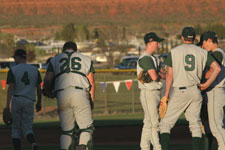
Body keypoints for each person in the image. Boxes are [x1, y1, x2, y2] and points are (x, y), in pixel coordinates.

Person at [160, 27, 221, 150]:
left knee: (165, 124)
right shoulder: (202, 52)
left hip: (180, 90)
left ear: (182, 38)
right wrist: (207, 84)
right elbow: (217, 68)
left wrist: (166, 95)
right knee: (195, 124)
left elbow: (170, 75)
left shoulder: (175, 51)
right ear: (194, 39)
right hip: (196, 91)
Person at [43, 41, 95, 150]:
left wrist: (48, 92)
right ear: (75, 50)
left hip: (62, 93)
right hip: (80, 92)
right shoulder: (85, 59)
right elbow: (92, 82)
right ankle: (83, 146)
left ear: (63, 49)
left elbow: (47, 79)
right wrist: (91, 101)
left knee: (67, 131)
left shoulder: (55, 59)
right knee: (86, 129)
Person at [4, 49, 42, 150]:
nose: (14, 60)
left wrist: (7, 105)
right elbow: (39, 88)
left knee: (15, 128)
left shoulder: (13, 70)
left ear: (19, 57)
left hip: (17, 99)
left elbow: (11, 87)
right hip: (29, 100)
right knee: (27, 128)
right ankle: (33, 143)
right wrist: (39, 102)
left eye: (15, 58)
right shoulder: (35, 70)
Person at [137, 32, 165, 150]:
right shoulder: (145, 58)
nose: (158, 44)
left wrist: (161, 74)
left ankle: (144, 147)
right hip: (149, 93)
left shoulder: (154, 58)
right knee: (154, 123)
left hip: (155, 92)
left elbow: (162, 74)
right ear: (149, 43)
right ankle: (158, 147)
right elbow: (154, 76)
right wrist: (160, 73)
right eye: (156, 42)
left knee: (148, 123)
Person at [201, 31, 225, 150]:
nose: (203, 46)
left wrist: (197, 76)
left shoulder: (217, 53)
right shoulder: (218, 53)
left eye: (204, 43)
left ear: (210, 40)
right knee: (216, 126)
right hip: (216, 92)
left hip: (216, 91)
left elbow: (213, 71)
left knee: (216, 127)